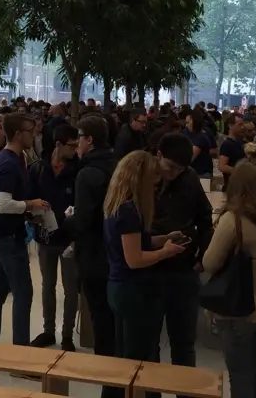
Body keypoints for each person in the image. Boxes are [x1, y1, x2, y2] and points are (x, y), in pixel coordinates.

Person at [103, 150, 185, 394]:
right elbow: (135, 259)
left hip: (119, 287)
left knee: (123, 356)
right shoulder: (129, 211)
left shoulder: (116, 204)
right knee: (136, 361)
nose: (156, 185)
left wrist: (163, 240)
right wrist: (166, 252)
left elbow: (136, 242)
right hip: (132, 291)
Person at [203, 162, 256, 398]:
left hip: (238, 306)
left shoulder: (234, 219)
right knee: (255, 368)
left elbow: (210, 261)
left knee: (239, 372)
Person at [149, 132, 215, 367]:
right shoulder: (141, 178)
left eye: (180, 169)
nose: (174, 173)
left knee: (184, 344)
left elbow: (205, 218)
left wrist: (202, 257)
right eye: (170, 167)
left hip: (183, 269)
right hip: (149, 268)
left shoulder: (189, 178)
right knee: (148, 345)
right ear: (158, 155)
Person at [0, 112, 44, 346]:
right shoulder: (8, 163)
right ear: (18, 134)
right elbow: (3, 204)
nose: (34, 134)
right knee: (23, 292)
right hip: (7, 236)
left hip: (3, 232)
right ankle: (21, 352)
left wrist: (29, 212)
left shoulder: (15, 158)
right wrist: (31, 205)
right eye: (30, 130)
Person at [62, 114, 118, 360]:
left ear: (90, 140)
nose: (77, 144)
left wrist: (67, 220)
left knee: (100, 319)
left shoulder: (87, 174)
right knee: (113, 319)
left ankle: (107, 379)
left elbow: (84, 221)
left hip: (94, 254)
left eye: (80, 139)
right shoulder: (116, 165)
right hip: (116, 251)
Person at [27, 123, 80, 350]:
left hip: (69, 239)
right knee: (47, 285)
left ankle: (67, 335)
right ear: (58, 144)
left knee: (70, 289)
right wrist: (32, 215)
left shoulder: (79, 171)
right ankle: (48, 330)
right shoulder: (38, 168)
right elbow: (27, 199)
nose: (76, 150)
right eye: (72, 146)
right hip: (45, 237)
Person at [220, 116, 251, 188]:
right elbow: (222, 166)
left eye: (243, 124)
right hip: (232, 186)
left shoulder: (240, 142)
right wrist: (241, 171)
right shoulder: (227, 144)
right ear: (230, 125)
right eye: (240, 125)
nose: (243, 127)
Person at [183, 107, 214, 178]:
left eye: (188, 123)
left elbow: (190, 158)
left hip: (201, 174)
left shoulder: (201, 137)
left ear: (195, 122)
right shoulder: (188, 133)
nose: (186, 125)